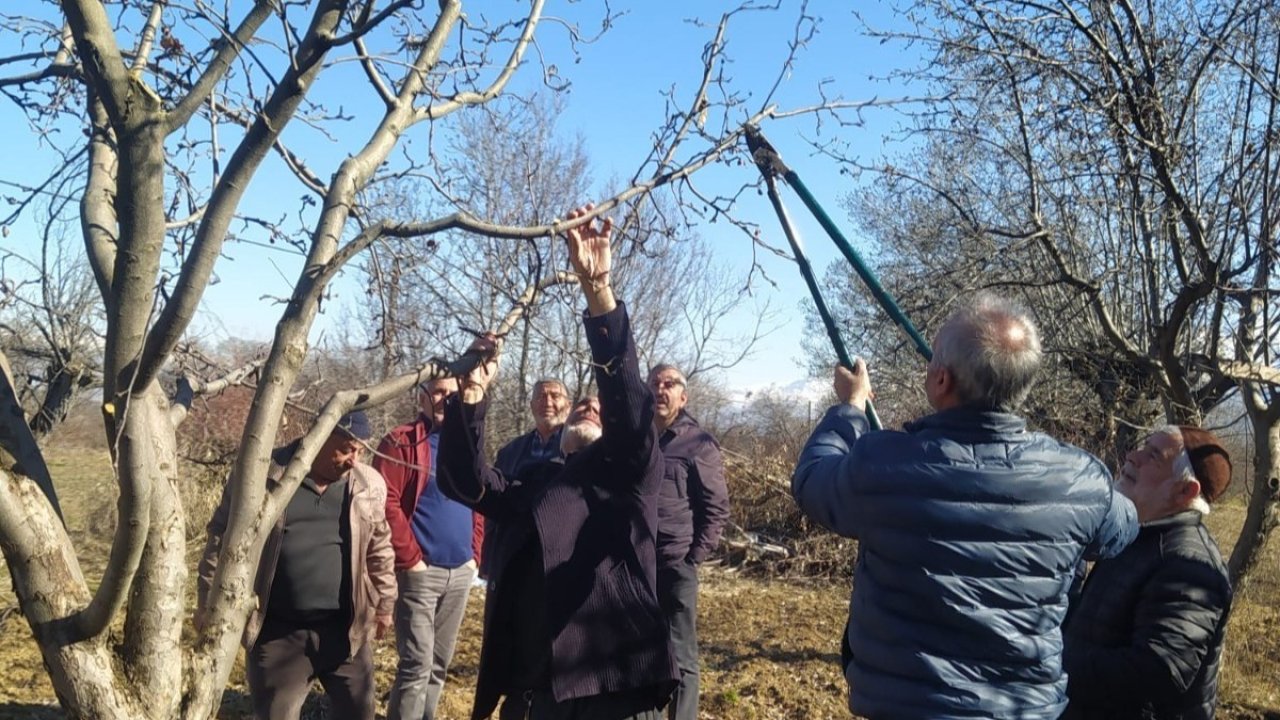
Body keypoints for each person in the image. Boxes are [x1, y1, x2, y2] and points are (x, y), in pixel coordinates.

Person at [791, 292, 1139, 720]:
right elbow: (1122, 529)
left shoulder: (883, 464)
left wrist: (850, 407)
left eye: (933, 358)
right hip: (1024, 710)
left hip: (909, 709)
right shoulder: (1081, 479)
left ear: (941, 381)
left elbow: (812, 480)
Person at [436, 203, 677, 720]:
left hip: (608, 693)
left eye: (597, 407)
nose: (591, 410)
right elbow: (464, 482)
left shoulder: (629, 476)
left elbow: (632, 417)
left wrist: (599, 296)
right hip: (531, 695)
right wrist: (471, 398)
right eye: (584, 408)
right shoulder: (539, 485)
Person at [197, 411, 396, 720]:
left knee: (360, 713)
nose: (354, 459)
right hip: (278, 633)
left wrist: (385, 602)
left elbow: (380, 547)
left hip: (345, 633)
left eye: (361, 449)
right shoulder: (266, 475)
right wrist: (208, 603)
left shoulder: (367, 485)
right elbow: (221, 540)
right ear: (317, 437)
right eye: (346, 448)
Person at [1062, 425, 1234, 720]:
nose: (1132, 456)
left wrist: (1052, 662)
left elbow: (1158, 671)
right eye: (1143, 447)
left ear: (1185, 490)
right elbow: (1096, 627)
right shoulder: (1137, 535)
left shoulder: (1189, 565)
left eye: (1153, 455)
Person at [375, 377, 485, 720]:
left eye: (452, 394)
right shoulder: (401, 441)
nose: (444, 399)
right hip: (420, 571)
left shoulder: (465, 443)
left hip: (460, 571)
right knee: (417, 663)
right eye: (437, 391)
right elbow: (387, 502)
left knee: (439, 664)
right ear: (422, 395)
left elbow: (478, 498)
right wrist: (410, 560)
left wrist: (474, 555)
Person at [647, 363, 729, 720]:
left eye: (669, 384)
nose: (660, 390)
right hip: (635, 566)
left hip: (675, 564)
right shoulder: (638, 438)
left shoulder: (697, 443)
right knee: (643, 653)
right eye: (654, 383)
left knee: (680, 658)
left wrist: (691, 559)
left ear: (684, 395)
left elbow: (716, 508)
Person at [487, 379, 571, 720]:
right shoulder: (511, 452)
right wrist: (489, 559)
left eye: (555, 395)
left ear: (567, 403)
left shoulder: (581, 446)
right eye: (541, 395)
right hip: (517, 569)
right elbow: (493, 507)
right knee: (517, 654)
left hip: (563, 569)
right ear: (531, 403)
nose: (547, 401)